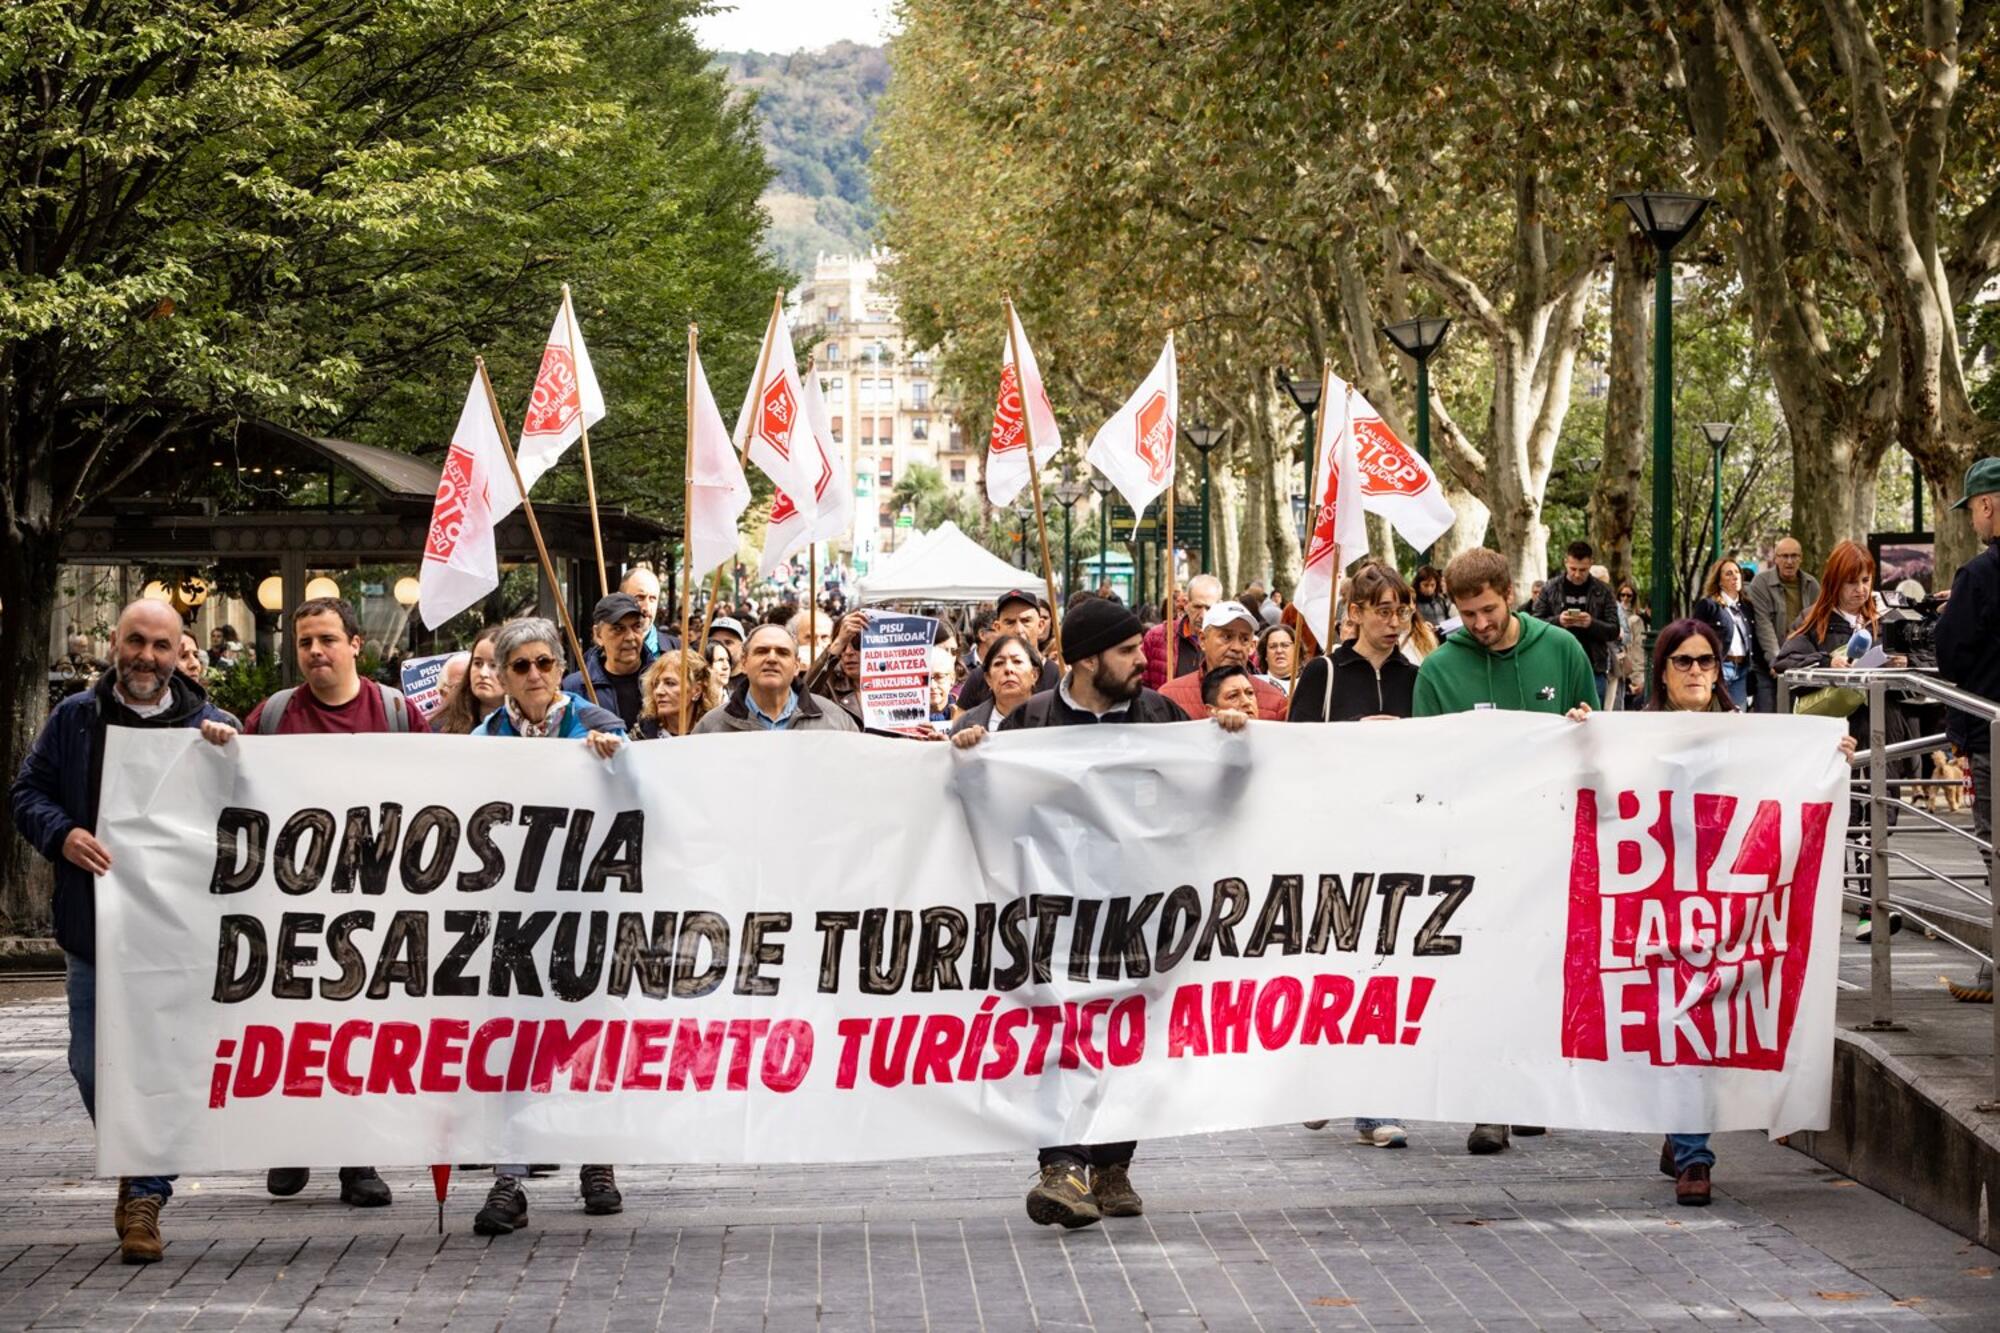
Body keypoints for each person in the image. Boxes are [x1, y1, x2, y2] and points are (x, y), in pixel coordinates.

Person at [953, 595, 1246, 1229]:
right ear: (1086, 660)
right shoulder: (1033, 719)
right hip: (1055, 916)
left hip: (1141, 912)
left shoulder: (1160, 713)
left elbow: (1209, 800)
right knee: (1061, 1030)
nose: (1143, 660)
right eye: (1127, 651)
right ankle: (1063, 1165)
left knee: (1126, 1036)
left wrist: (1228, 748)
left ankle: (1112, 1164)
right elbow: (992, 807)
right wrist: (972, 757)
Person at [10, 599, 240, 1264]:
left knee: (165, 1064)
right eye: (135, 641)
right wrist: (63, 834)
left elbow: (251, 810)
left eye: (160, 645)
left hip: (181, 940)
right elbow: (28, 794)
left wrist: (232, 753)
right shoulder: (75, 719)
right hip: (97, 933)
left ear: (179, 652)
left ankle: (145, 1192)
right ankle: (136, 1159)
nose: (146, 656)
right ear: (115, 642)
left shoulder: (210, 724)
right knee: (90, 1065)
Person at [1643, 617, 1858, 1201]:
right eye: (1683, 661)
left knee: (1705, 1021)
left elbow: (1787, 779)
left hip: (1728, 904)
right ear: (1661, 671)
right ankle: (1689, 1148)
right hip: (1656, 899)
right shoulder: (1630, 734)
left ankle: (1688, 1147)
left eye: (1706, 662)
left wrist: (1826, 755)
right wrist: (1581, 735)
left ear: (1721, 671)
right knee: (1673, 1022)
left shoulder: (1751, 732)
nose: (1695, 671)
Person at [240, 597, 425, 1207]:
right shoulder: (269, 718)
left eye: (325, 639)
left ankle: (356, 1160)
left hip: (375, 903)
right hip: (289, 903)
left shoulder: (396, 714)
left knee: (360, 1031)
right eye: (304, 643)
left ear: (355, 645)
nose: (314, 652)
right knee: (294, 1026)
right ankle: (292, 1143)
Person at [1415, 547, 1596, 1155]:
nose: (1480, 624)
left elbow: (1592, 735)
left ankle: (1529, 1092)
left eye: (1488, 610)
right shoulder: (1439, 669)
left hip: (1550, 840)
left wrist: (1582, 722)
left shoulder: (1562, 650)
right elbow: (1427, 765)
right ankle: (1486, 1104)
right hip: (1477, 848)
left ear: (1510, 592)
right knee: (1481, 974)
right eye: (1467, 615)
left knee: (1542, 972)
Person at [466, 617, 625, 1234]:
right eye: (520, 666)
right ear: (502, 675)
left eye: (545, 663)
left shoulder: (600, 727)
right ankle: (509, 1181)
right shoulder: (484, 738)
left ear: (561, 666)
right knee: (511, 1044)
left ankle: (598, 1162)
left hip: (589, 910)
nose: (534, 675)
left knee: (590, 1039)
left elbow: (645, 803)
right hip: (512, 914)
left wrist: (618, 764)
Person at [1775, 539, 1911, 940]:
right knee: (1855, 820)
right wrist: (1827, 661)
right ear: (1835, 583)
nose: (1860, 590)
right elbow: (1784, 661)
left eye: (1866, 580)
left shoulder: (1882, 622)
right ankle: (1870, 905)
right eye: (1851, 581)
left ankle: (1872, 902)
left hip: (1889, 732)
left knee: (1883, 816)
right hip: (1847, 737)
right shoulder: (1816, 623)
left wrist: (1902, 662)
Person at [1936, 458, 1999, 1003]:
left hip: (1989, 734)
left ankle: (1994, 971)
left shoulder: (1979, 575)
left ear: (1987, 505)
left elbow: (1951, 651)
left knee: (1995, 852)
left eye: (1974, 512)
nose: (1974, 524)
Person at [1291, 563, 1420, 724]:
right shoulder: (1323, 672)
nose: (1394, 622)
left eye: (1402, 612)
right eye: (1384, 612)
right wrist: (1354, 731)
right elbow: (1298, 741)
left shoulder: (1416, 677)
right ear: (1356, 613)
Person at [693, 623, 862, 734]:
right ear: (744, 662)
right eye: (761, 651)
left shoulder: (835, 720)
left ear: (796, 666)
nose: (772, 659)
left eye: (782, 652)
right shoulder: (712, 727)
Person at [1157, 601, 1289, 720]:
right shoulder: (1170, 697)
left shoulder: (1276, 703)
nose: (1236, 647)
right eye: (1227, 637)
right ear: (1203, 640)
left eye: (1244, 639)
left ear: (1252, 646)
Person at [1531, 540, 1621, 701]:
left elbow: (1614, 630)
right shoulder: (1549, 588)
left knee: (1593, 717)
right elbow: (1534, 624)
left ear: (1591, 564)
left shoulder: (1604, 591)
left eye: (1583, 570)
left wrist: (1591, 623)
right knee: (1553, 714)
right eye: (1573, 569)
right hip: (1555, 666)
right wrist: (1559, 622)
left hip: (1593, 667)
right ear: (1566, 562)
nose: (1577, 574)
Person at [562, 592, 658, 731]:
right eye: (618, 629)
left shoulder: (662, 681)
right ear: (598, 635)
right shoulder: (576, 688)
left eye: (636, 626)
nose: (630, 637)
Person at [1745, 537, 1818, 714]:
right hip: (1768, 666)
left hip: (1801, 664)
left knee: (1799, 717)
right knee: (1768, 717)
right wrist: (1776, 661)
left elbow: (1817, 623)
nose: (1789, 561)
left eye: (1794, 556)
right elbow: (1763, 624)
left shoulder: (1812, 585)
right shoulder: (1761, 583)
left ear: (1801, 558)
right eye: (1784, 556)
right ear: (1775, 558)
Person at [957, 590, 1059, 710]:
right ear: (997, 628)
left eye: (1026, 621)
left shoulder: (1058, 677)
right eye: (1010, 622)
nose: (1019, 630)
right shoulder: (979, 678)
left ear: (1041, 625)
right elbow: (959, 724)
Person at [1692, 558, 1755, 710]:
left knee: (1738, 716)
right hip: (1720, 668)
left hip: (1742, 669)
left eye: (1737, 572)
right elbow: (1694, 638)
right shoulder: (1709, 605)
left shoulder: (1746, 606)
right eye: (1728, 574)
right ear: (1719, 581)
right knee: (1715, 714)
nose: (1735, 576)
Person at [950, 634, 1043, 734]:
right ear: (988, 679)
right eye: (999, 663)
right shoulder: (965, 725)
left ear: (1034, 674)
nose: (1008, 669)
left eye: (1017, 661)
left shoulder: (1051, 718)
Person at [1141, 572, 1218, 688]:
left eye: (1209, 608)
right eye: (1197, 607)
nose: (1203, 615)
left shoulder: (1232, 642)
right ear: (1187, 604)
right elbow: (1141, 685)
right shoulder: (1157, 636)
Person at [431, 628, 505, 735]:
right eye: (478, 663)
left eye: (493, 665)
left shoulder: (528, 724)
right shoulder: (442, 726)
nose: (483, 673)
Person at [637, 648, 718, 737]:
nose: (658, 691)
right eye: (656, 684)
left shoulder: (715, 733)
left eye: (670, 683)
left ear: (697, 691)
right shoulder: (641, 734)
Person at [804, 610, 867, 723]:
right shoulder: (829, 683)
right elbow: (804, 698)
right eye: (843, 646)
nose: (848, 652)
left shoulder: (899, 684)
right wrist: (838, 642)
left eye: (858, 643)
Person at [620, 566, 677, 656]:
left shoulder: (679, 650)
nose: (646, 607)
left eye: (652, 598)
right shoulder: (599, 656)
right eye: (640, 597)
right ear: (621, 599)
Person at [1255, 624, 1297, 694]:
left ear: (1296, 650)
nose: (1279, 651)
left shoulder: (1308, 684)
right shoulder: (1255, 684)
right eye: (1273, 646)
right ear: (1265, 654)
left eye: (1285, 645)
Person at [1413, 565, 1451, 630]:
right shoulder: (1413, 603)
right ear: (1418, 585)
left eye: (1432, 585)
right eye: (1425, 585)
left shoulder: (1441, 601)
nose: (1429, 589)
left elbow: (1447, 621)